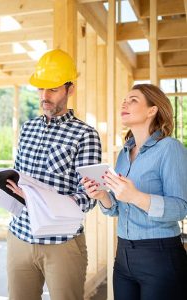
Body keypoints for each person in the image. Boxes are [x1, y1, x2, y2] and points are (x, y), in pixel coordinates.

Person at [0, 49, 102, 300]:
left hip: (62, 244)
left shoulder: (85, 134)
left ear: (70, 89)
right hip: (19, 236)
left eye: (52, 89)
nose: (44, 96)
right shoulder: (27, 129)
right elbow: (16, 183)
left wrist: (43, 200)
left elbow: (88, 197)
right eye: (40, 89)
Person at [82, 83, 187, 300]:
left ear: (152, 110)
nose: (125, 103)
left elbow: (180, 208)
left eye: (133, 100)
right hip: (123, 257)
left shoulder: (169, 148)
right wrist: (102, 195)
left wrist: (136, 197)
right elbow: (116, 209)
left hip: (160, 256)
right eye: (124, 99)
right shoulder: (124, 153)